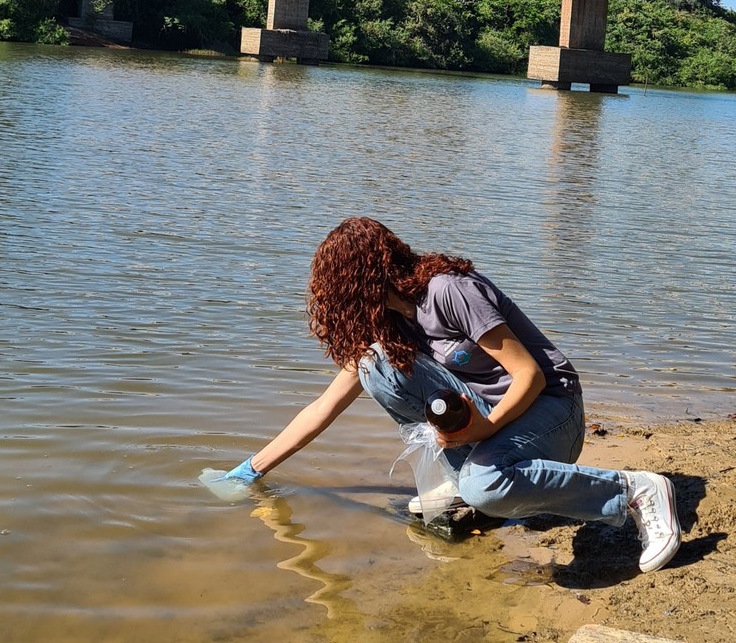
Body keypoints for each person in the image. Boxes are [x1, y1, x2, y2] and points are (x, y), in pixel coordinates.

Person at [216, 217, 681, 574]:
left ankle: (634, 491)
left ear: (365, 278)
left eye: (340, 292)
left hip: (551, 409)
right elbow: (322, 408)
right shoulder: (390, 326)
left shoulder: (448, 292)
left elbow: (530, 375)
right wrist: (250, 470)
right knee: (376, 365)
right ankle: (461, 483)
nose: (337, 305)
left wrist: (486, 428)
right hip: (495, 421)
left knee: (488, 488)